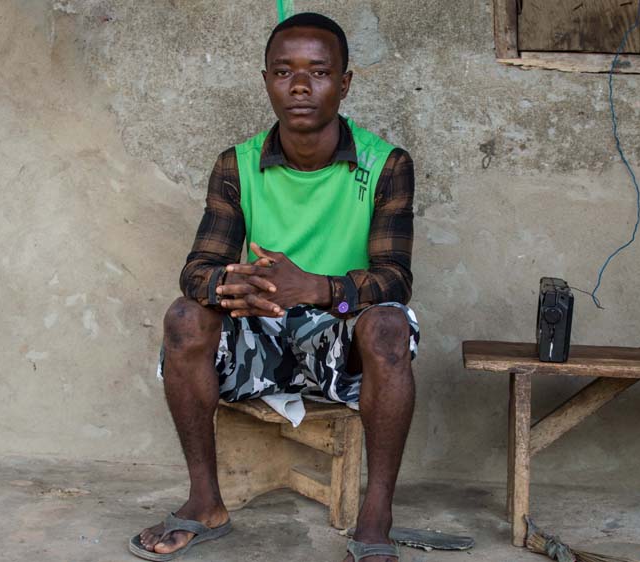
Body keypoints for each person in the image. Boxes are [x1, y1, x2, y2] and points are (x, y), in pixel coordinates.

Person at [129, 12, 418, 562]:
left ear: (346, 82)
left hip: (340, 341)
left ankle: (375, 517)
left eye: (319, 72)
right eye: (284, 72)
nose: (301, 87)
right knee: (184, 316)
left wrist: (312, 287)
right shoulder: (236, 164)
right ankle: (204, 503)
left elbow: (395, 278)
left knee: (389, 324)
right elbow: (198, 269)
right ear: (266, 80)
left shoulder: (386, 165)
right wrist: (234, 288)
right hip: (258, 336)